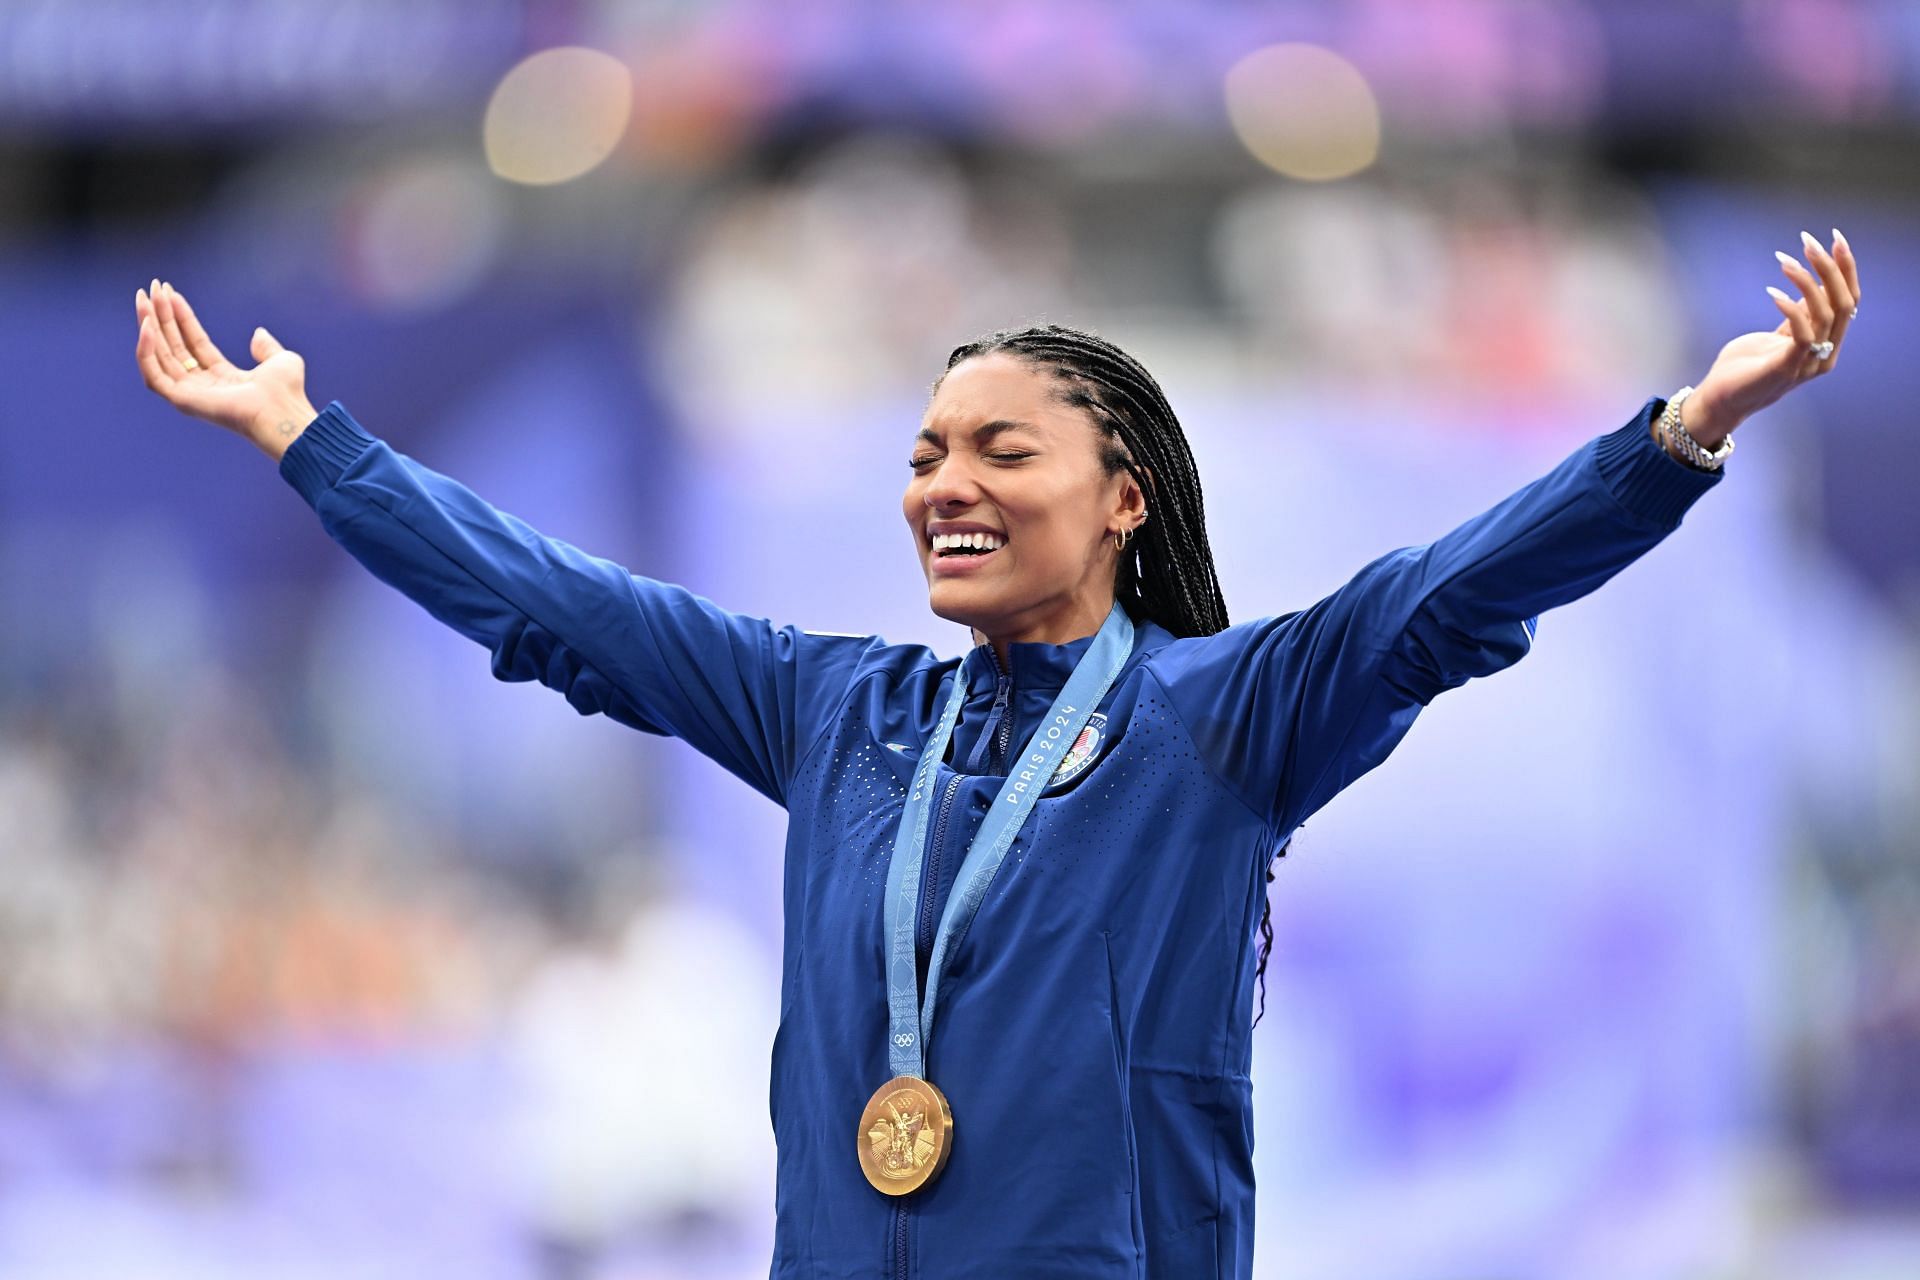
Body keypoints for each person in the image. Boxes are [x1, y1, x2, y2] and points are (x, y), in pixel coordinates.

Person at [132, 228, 1860, 1280]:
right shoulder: (835, 711)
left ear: (1122, 498)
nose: (940, 484)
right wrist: (309, 441)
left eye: (998, 449)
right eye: (924, 450)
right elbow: (559, 609)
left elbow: (1445, 600)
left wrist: (1680, 437)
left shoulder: (1221, 718)